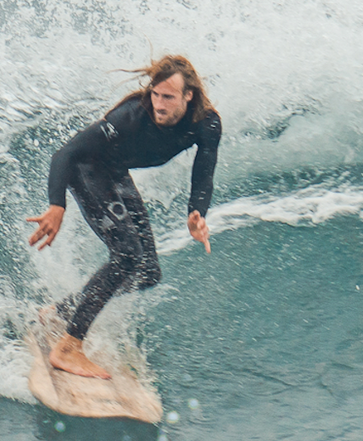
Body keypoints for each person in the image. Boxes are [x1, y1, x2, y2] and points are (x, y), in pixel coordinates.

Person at [26, 55, 221, 379]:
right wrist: (56, 205)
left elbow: (204, 170)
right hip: (86, 169)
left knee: (148, 272)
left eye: (168, 97)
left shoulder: (206, 123)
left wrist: (196, 213)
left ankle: (59, 313)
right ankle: (69, 347)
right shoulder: (131, 116)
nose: (159, 104)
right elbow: (66, 153)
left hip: (113, 172)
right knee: (128, 256)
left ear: (189, 96)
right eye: (156, 94)